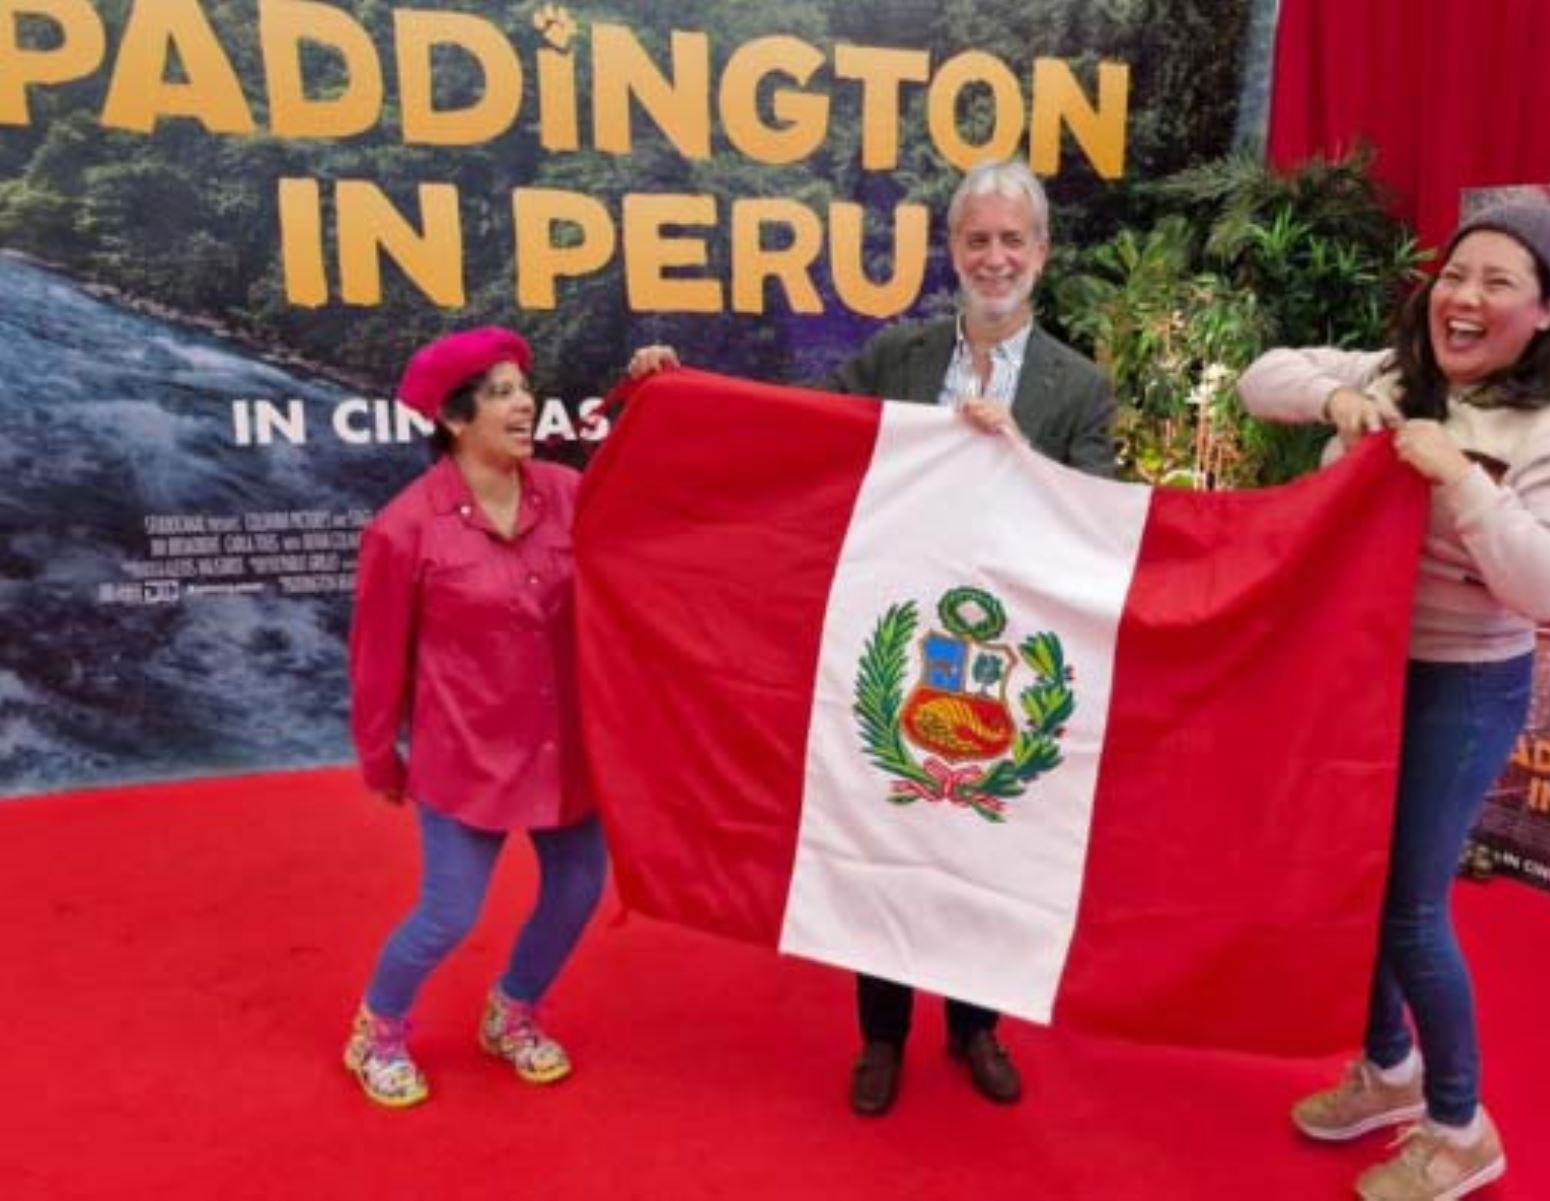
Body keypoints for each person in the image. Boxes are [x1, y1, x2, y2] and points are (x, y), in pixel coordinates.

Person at [626, 157, 1115, 1116]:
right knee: (882, 825)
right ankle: (881, 1036)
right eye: (977, 238)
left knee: (984, 839)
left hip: (1008, 660)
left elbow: (1099, 517)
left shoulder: (1078, 385)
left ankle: (976, 1026)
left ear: (1043, 251)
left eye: (1012, 238)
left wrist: (1017, 454)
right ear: (952, 251)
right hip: (888, 635)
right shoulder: (898, 358)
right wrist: (682, 391)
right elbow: (796, 431)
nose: (994, 255)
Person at [1238, 204, 1550, 1201]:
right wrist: (1335, 402)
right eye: (1457, 274)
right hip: (1359, 671)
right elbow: (1257, 376)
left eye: (1499, 282)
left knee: (1409, 908)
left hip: (1465, 684)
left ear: (1544, 312)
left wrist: (1463, 483)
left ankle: (1459, 1125)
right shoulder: (1400, 375)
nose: (1467, 297)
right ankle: (1387, 1069)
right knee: (1361, 885)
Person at [342, 327, 608, 1108]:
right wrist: (378, 756)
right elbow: (377, 654)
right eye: (500, 392)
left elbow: (665, 512)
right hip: (467, 751)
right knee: (449, 911)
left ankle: (512, 1011)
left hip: (568, 744)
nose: (524, 401)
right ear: (456, 418)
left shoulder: (569, 490)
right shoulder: (404, 526)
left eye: (524, 386)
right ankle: (377, 1030)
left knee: (578, 887)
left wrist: (654, 387)